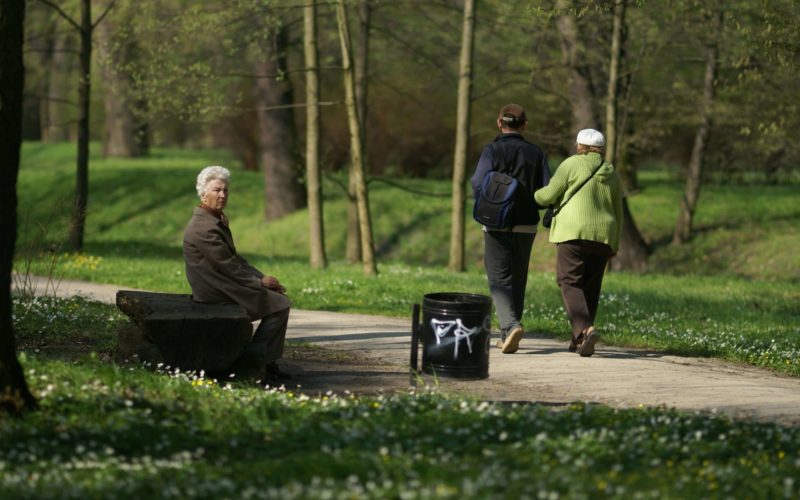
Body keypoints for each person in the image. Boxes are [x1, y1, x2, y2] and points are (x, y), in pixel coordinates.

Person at [183, 166, 292, 381]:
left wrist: (262, 278)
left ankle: (266, 360)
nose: (222, 195)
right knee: (280, 305)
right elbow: (229, 267)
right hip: (215, 289)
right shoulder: (203, 227)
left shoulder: (214, 219)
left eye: (225, 191)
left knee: (280, 300)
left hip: (224, 282)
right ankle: (256, 359)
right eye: (216, 190)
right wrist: (260, 283)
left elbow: (236, 260)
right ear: (203, 193)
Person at [533, 129, 623, 357]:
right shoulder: (611, 172)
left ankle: (585, 328)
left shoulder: (571, 164)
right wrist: (615, 243)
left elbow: (547, 196)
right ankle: (579, 340)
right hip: (604, 235)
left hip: (573, 232)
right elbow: (618, 211)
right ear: (601, 149)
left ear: (580, 146)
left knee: (569, 281)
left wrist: (532, 195)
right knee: (590, 287)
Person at [470, 103, 551, 354]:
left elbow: (476, 182)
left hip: (496, 222)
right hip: (526, 223)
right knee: (518, 277)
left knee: (498, 277)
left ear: (499, 123)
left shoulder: (492, 150)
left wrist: (489, 202)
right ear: (524, 125)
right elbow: (545, 189)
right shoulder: (536, 153)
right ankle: (507, 333)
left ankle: (511, 324)